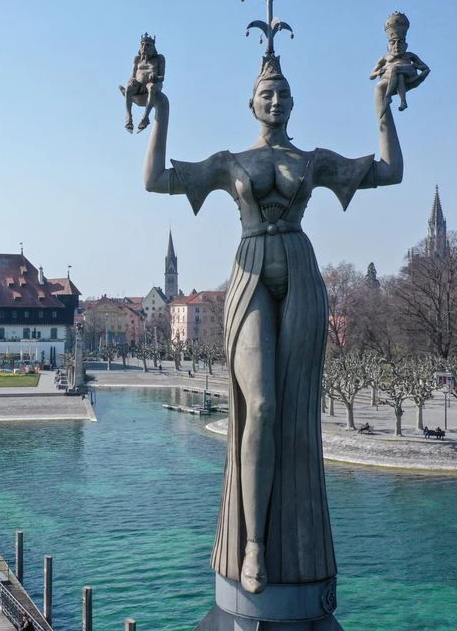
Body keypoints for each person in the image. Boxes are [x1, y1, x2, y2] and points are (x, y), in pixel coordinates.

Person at [142, 41, 410, 594]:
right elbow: (154, 180)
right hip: (250, 273)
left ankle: (296, 537)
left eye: (284, 93)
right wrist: (160, 110)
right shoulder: (230, 163)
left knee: (295, 409)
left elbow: (390, 172)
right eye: (267, 92)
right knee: (261, 404)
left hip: (300, 271)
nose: (276, 100)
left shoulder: (312, 161)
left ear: (293, 102)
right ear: (252, 103)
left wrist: (383, 104)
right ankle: (255, 545)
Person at [369, 12, 429, 115]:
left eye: (400, 42)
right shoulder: (385, 58)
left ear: (406, 45)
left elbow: (426, 68)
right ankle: (403, 101)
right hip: (392, 79)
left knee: (396, 68)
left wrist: (417, 68)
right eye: (393, 42)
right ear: (388, 46)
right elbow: (371, 76)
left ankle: (388, 97)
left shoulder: (409, 55)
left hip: (409, 75)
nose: (396, 46)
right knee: (398, 75)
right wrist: (379, 72)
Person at [119, 33, 165, 133]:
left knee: (151, 87)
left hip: (152, 83)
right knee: (128, 88)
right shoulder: (137, 59)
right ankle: (128, 119)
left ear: (153, 48)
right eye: (142, 45)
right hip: (138, 84)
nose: (144, 47)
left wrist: (155, 77)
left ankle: (145, 118)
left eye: (148, 45)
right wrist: (131, 81)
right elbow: (133, 75)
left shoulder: (159, 58)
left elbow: (162, 77)